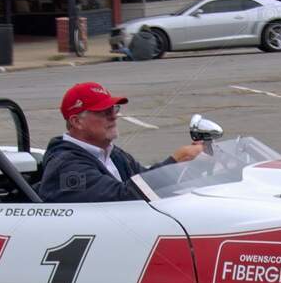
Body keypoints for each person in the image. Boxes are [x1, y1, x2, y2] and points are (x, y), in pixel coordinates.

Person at [37, 82, 204, 203]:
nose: (114, 116)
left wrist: (199, 167)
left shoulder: (111, 153)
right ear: (77, 122)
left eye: (114, 109)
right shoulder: (66, 166)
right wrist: (175, 162)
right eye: (103, 112)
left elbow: (143, 179)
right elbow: (122, 198)